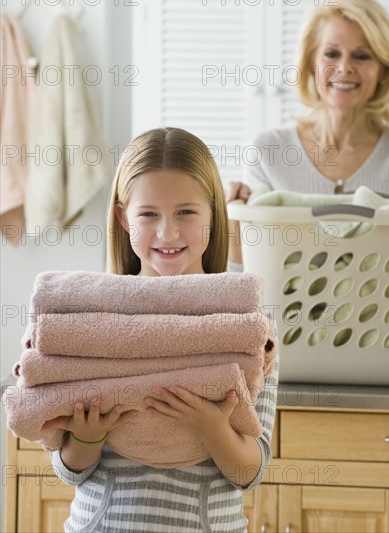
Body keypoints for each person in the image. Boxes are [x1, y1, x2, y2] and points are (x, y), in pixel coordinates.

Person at [43, 127, 278, 532]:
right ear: (123, 217)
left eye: (186, 212)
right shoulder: (90, 322)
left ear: (213, 213)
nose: (167, 233)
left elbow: (250, 472)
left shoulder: (244, 324)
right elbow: (71, 471)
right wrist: (86, 437)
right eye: (148, 214)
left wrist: (212, 428)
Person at [226, 0, 389, 267]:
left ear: (383, 70)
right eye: (331, 53)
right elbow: (243, 267)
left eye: (362, 56)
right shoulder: (267, 152)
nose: (344, 67)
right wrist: (229, 214)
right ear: (312, 64)